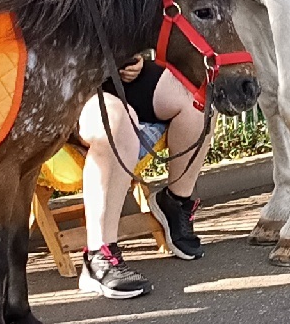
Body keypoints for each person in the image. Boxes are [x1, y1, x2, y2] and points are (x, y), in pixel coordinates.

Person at [73, 52, 209, 299]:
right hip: (68, 82)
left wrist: (135, 56)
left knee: (197, 96)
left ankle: (175, 201)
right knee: (118, 120)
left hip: (115, 75)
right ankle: (98, 257)